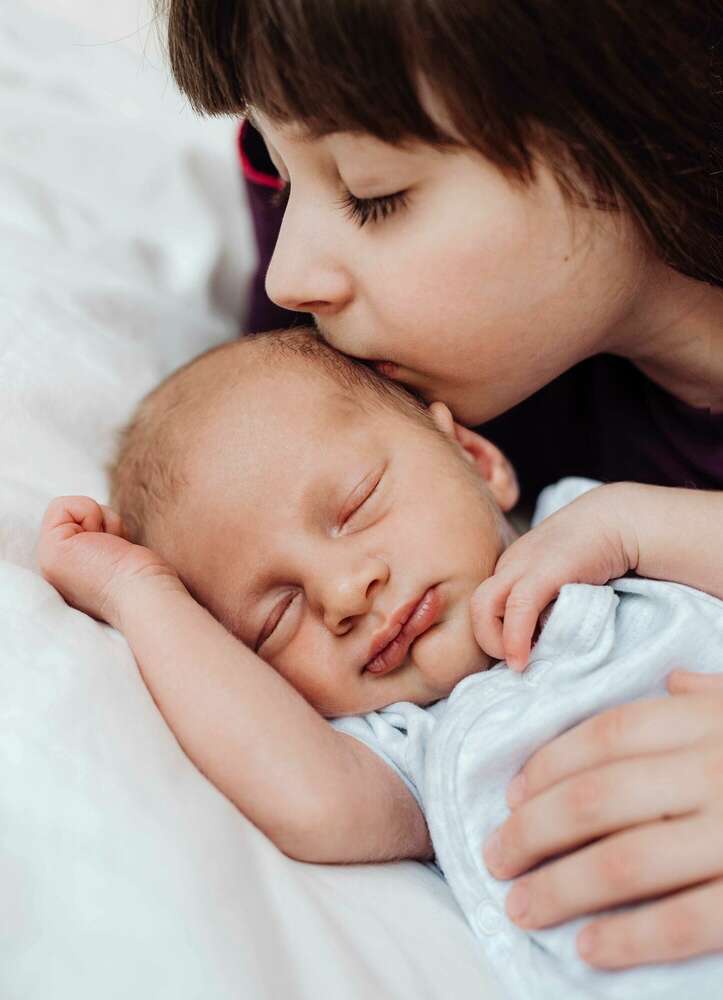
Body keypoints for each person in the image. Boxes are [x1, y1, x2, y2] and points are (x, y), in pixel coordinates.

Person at [152, 0, 723, 966]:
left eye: (373, 194)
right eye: (271, 157)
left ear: (640, 106)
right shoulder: (394, 385)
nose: (291, 277)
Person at [38, 330, 723, 985]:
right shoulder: (414, 746)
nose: (342, 593)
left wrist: (629, 522)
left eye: (357, 507)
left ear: (474, 458)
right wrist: (138, 593)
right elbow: (309, 799)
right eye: (275, 619)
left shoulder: (604, 544)